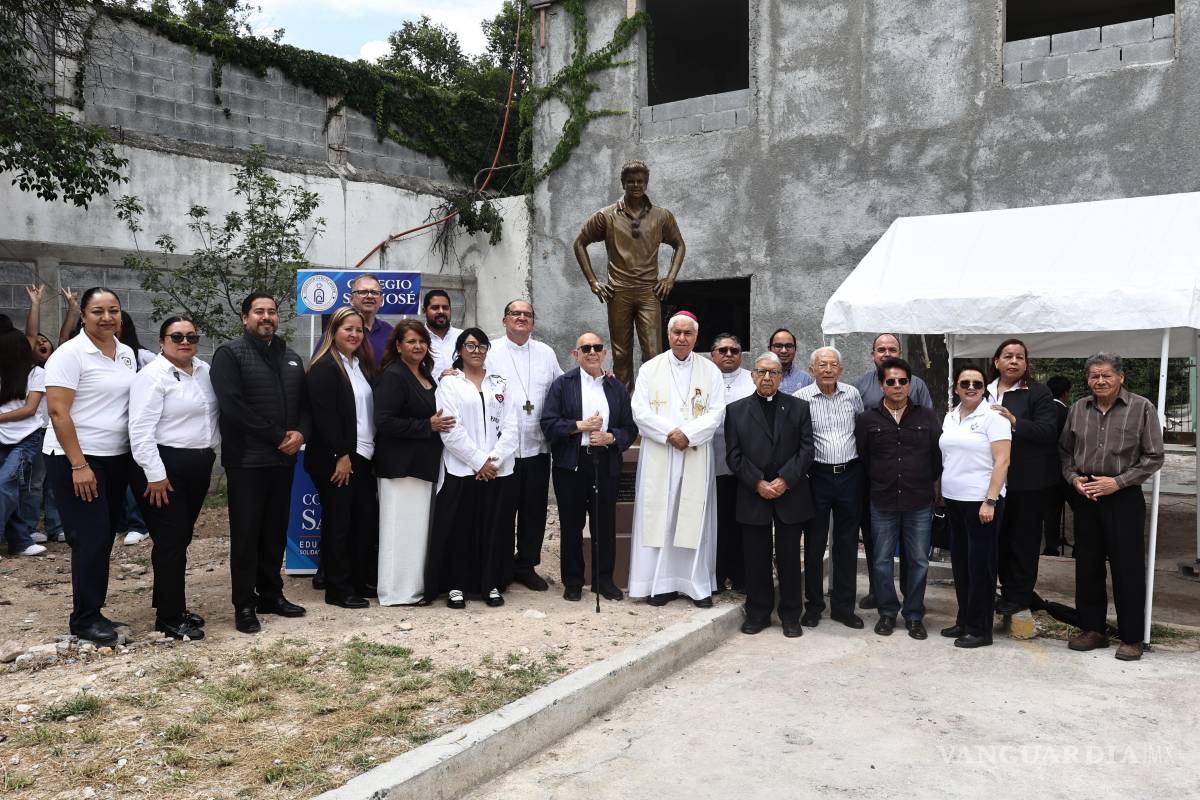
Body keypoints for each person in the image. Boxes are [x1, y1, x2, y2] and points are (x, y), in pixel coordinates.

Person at [42, 287, 137, 646]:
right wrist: (79, 465)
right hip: (78, 459)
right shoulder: (70, 354)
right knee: (91, 538)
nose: (107, 317)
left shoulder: (125, 353)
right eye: (98, 311)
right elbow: (57, 411)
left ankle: (93, 608)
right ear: (83, 315)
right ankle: (84, 618)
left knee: (105, 536)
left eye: (113, 310)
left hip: (115, 458)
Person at [211, 292, 310, 634]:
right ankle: (244, 604)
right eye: (259, 312)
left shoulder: (291, 356)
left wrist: (300, 433)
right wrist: (277, 436)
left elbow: (305, 405)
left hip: (283, 462)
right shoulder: (229, 354)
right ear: (244, 317)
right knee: (247, 534)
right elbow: (233, 406)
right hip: (247, 462)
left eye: (271, 312)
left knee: (274, 532)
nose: (266, 317)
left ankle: (271, 594)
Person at [1060, 353, 1164, 662]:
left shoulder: (1141, 407)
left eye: (1106, 375)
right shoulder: (1078, 408)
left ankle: (1131, 637)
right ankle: (1092, 629)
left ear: (1121, 377)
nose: (1100, 381)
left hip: (1122, 496)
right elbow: (1065, 451)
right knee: (1087, 565)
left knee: (1127, 568)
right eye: (1094, 376)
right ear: (1087, 379)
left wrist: (1117, 483)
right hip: (1086, 495)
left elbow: (1154, 456)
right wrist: (1074, 479)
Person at [127, 317, 219, 640]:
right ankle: (168, 618)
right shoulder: (152, 377)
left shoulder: (205, 371)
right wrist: (155, 475)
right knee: (170, 541)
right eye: (177, 336)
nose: (185, 341)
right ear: (162, 342)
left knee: (179, 539)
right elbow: (139, 431)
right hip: (162, 467)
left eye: (191, 335)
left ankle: (172, 605)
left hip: (198, 463)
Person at [628, 311, 726, 606]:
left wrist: (689, 434)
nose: (682, 338)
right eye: (676, 333)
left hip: (694, 454)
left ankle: (695, 584)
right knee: (659, 515)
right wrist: (671, 433)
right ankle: (658, 584)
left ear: (696, 337)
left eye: (688, 333)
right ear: (668, 335)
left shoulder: (710, 371)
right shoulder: (650, 369)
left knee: (694, 517)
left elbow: (717, 412)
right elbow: (640, 411)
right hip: (660, 452)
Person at [425, 328, 520, 608]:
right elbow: (451, 429)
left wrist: (494, 460)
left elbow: (512, 426)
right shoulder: (450, 384)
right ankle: (456, 585)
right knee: (460, 529)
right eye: (470, 345)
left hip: (498, 470)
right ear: (460, 350)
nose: (476, 350)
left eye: (481, 345)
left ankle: (489, 583)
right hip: (462, 470)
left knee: (493, 528)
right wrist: (479, 461)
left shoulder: (500, 383)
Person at [540, 332, 637, 601]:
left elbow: (630, 427)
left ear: (604, 353)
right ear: (576, 354)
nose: (592, 352)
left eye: (597, 347)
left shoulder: (615, 387)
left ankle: (603, 580)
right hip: (571, 463)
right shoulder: (563, 384)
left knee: (604, 524)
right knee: (571, 524)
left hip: (604, 460)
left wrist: (611, 437)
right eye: (586, 348)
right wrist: (579, 426)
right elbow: (548, 424)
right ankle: (573, 581)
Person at [573, 159, 686, 388]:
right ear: (623, 183)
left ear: (647, 183)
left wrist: (670, 278)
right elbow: (579, 243)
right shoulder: (606, 216)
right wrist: (593, 282)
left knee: (654, 353)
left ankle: (654, 402)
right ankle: (623, 407)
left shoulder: (662, 216)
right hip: (619, 292)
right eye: (631, 181)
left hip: (648, 292)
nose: (636, 185)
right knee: (621, 354)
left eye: (641, 181)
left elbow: (679, 245)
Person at [725, 352, 814, 636]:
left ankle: (790, 615)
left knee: (789, 557)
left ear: (780, 377)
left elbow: (807, 449)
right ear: (753, 376)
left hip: (790, 493)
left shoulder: (799, 407)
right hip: (754, 494)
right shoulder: (736, 410)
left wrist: (785, 480)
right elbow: (733, 455)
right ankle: (758, 613)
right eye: (762, 372)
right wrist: (758, 483)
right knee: (756, 558)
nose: (767, 378)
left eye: (773, 373)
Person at [855, 357, 941, 639]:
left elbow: (936, 457)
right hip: (883, 500)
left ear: (910, 384)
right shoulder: (868, 419)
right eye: (890, 381)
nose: (897, 386)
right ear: (881, 385)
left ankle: (914, 615)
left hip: (918, 500)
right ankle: (887, 613)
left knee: (917, 560)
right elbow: (865, 458)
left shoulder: (927, 417)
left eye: (902, 381)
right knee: (880, 560)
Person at [485, 300, 563, 592]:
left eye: (527, 314)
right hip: (503, 450)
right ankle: (502, 566)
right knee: (503, 511)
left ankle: (526, 564)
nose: (521, 318)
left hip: (538, 447)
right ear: (504, 319)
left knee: (534, 511)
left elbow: (561, 386)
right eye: (515, 314)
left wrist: (596, 377)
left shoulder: (545, 353)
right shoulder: (490, 351)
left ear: (533, 321)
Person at [305, 307, 380, 609]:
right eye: (347, 328)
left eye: (359, 330)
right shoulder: (324, 366)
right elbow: (325, 418)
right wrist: (342, 455)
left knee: (362, 522)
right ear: (333, 331)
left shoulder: (359, 365)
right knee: (339, 525)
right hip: (337, 460)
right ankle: (337, 589)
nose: (354, 334)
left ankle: (357, 581)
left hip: (363, 456)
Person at [374, 320, 451, 606]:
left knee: (417, 531)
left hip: (423, 464)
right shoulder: (393, 375)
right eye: (411, 341)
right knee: (398, 530)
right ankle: (395, 592)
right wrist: (425, 426)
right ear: (398, 346)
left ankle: (415, 587)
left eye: (422, 341)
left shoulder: (426, 374)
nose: (418, 346)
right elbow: (383, 421)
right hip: (399, 467)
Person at [938, 365, 1011, 648]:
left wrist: (990, 499)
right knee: (961, 565)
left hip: (982, 503)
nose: (971, 387)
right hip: (954, 501)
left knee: (981, 567)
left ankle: (981, 630)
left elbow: (1002, 461)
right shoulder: (951, 416)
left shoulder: (994, 417)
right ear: (956, 387)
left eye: (977, 384)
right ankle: (964, 620)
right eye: (965, 383)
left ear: (985, 389)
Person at [985, 339, 1059, 614]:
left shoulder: (1038, 393)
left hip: (1026, 480)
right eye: (1008, 356)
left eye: (1019, 357)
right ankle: (1002, 591)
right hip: (990, 478)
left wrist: (1013, 421)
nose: (1014, 361)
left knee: (1023, 540)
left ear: (1026, 363)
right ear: (996, 361)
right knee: (998, 538)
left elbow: (1047, 432)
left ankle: (1019, 595)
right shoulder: (984, 390)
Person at [794, 346, 865, 628]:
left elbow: (858, 428)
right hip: (817, 477)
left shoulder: (852, 395)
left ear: (841, 370)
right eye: (821, 365)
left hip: (850, 475)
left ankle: (844, 607)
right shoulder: (801, 399)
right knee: (814, 545)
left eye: (833, 364)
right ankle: (813, 606)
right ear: (811, 370)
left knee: (847, 544)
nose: (827, 369)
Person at [17, 284, 71, 545]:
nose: (41, 342)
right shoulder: (28, 369)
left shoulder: (59, 362)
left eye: (44, 340)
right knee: (35, 483)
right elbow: (29, 334)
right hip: (38, 432)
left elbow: (65, 336)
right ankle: (27, 528)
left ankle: (56, 526)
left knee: (55, 483)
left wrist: (72, 308)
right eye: (37, 342)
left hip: (61, 430)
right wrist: (35, 304)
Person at [711, 333, 755, 593]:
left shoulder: (752, 379)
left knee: (742, 523)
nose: (729, 355)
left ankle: (742, 576)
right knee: (716, 524)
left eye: (735, 350)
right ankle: (715, 576)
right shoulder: (704, 378)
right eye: (723, 350)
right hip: (710, 464)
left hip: (744, 468)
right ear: (713, 354)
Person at [0, 321, 48, 557]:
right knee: (6, 488)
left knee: (4, 485)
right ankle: (20, 541)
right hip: (2, 438)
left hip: (27, 438)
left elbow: (29, 410)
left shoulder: (36, 373)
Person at [115, 310, 155, 546]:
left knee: (134, 478)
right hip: (111, 430)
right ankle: (120, 523)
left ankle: (138, 524)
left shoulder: (143, 357)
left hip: (136, 426)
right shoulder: (98, 357)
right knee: (115, 478)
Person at [314, 274, 394, 369]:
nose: (369, 296)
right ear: (351, 299)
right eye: (363, 292)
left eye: (374, 292)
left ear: (381, 300)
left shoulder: (389, 331)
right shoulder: (335, 333)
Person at [1042, 375, 1072, 556]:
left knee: (1051, 511)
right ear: (1066, 393)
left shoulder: (1043, 411)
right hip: (1065, 468)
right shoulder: (1068, 413)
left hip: (1047, 467)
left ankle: (1051, 546)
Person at [423, 290, 462, 377]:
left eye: (445, 308)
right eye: (435, 307)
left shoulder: (462, 337)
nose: (441, 311)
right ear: (424, 311)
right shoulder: (418, 339)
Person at [769, 329, 813, 394]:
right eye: (778, 346)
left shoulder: (805, 379)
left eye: (789, 346)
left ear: (795, 350)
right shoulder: (759, 377)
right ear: (769, 349)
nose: (783, 351)